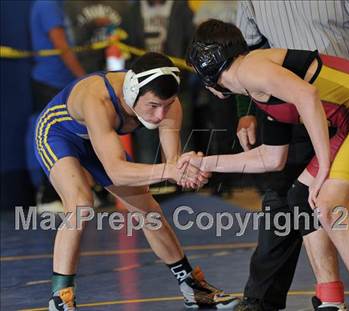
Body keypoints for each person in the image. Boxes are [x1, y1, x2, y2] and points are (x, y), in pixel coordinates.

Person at [184, 19, 349, 311]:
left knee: (329, 206)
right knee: (301, 198)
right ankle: (330, 300)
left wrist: (323, 167)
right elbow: (271, 158)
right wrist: (205, 162)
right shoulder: (259, 86)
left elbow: (307, 95)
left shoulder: (251, 68)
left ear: (207, 68)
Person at [234, 1, 349, 310]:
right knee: (286, 199)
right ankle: (266, 298)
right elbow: (245, 54)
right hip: (292, 107)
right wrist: (245, 112)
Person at [33, 51, 238, 310]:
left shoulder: (169, 105)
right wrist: (171, 171)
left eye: (166, 105)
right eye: (152, 106)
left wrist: (188, 170)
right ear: (132, 91)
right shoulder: (99, 99)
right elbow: (118, 171)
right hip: (58, 133)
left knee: (149, 210)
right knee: (80, 204)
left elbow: (172, 164)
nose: (159, 115)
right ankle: (60, 299)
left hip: (98, 141)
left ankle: (192, 288)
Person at [29, 0, 86, 209]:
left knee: (71, 141)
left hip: (62, 84)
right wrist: (84, 79)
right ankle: (48, 196)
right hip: (51, 83)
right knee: (52, 140)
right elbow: (61, 45)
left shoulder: (61, 5)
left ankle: (68, 194)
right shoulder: (48, 5)